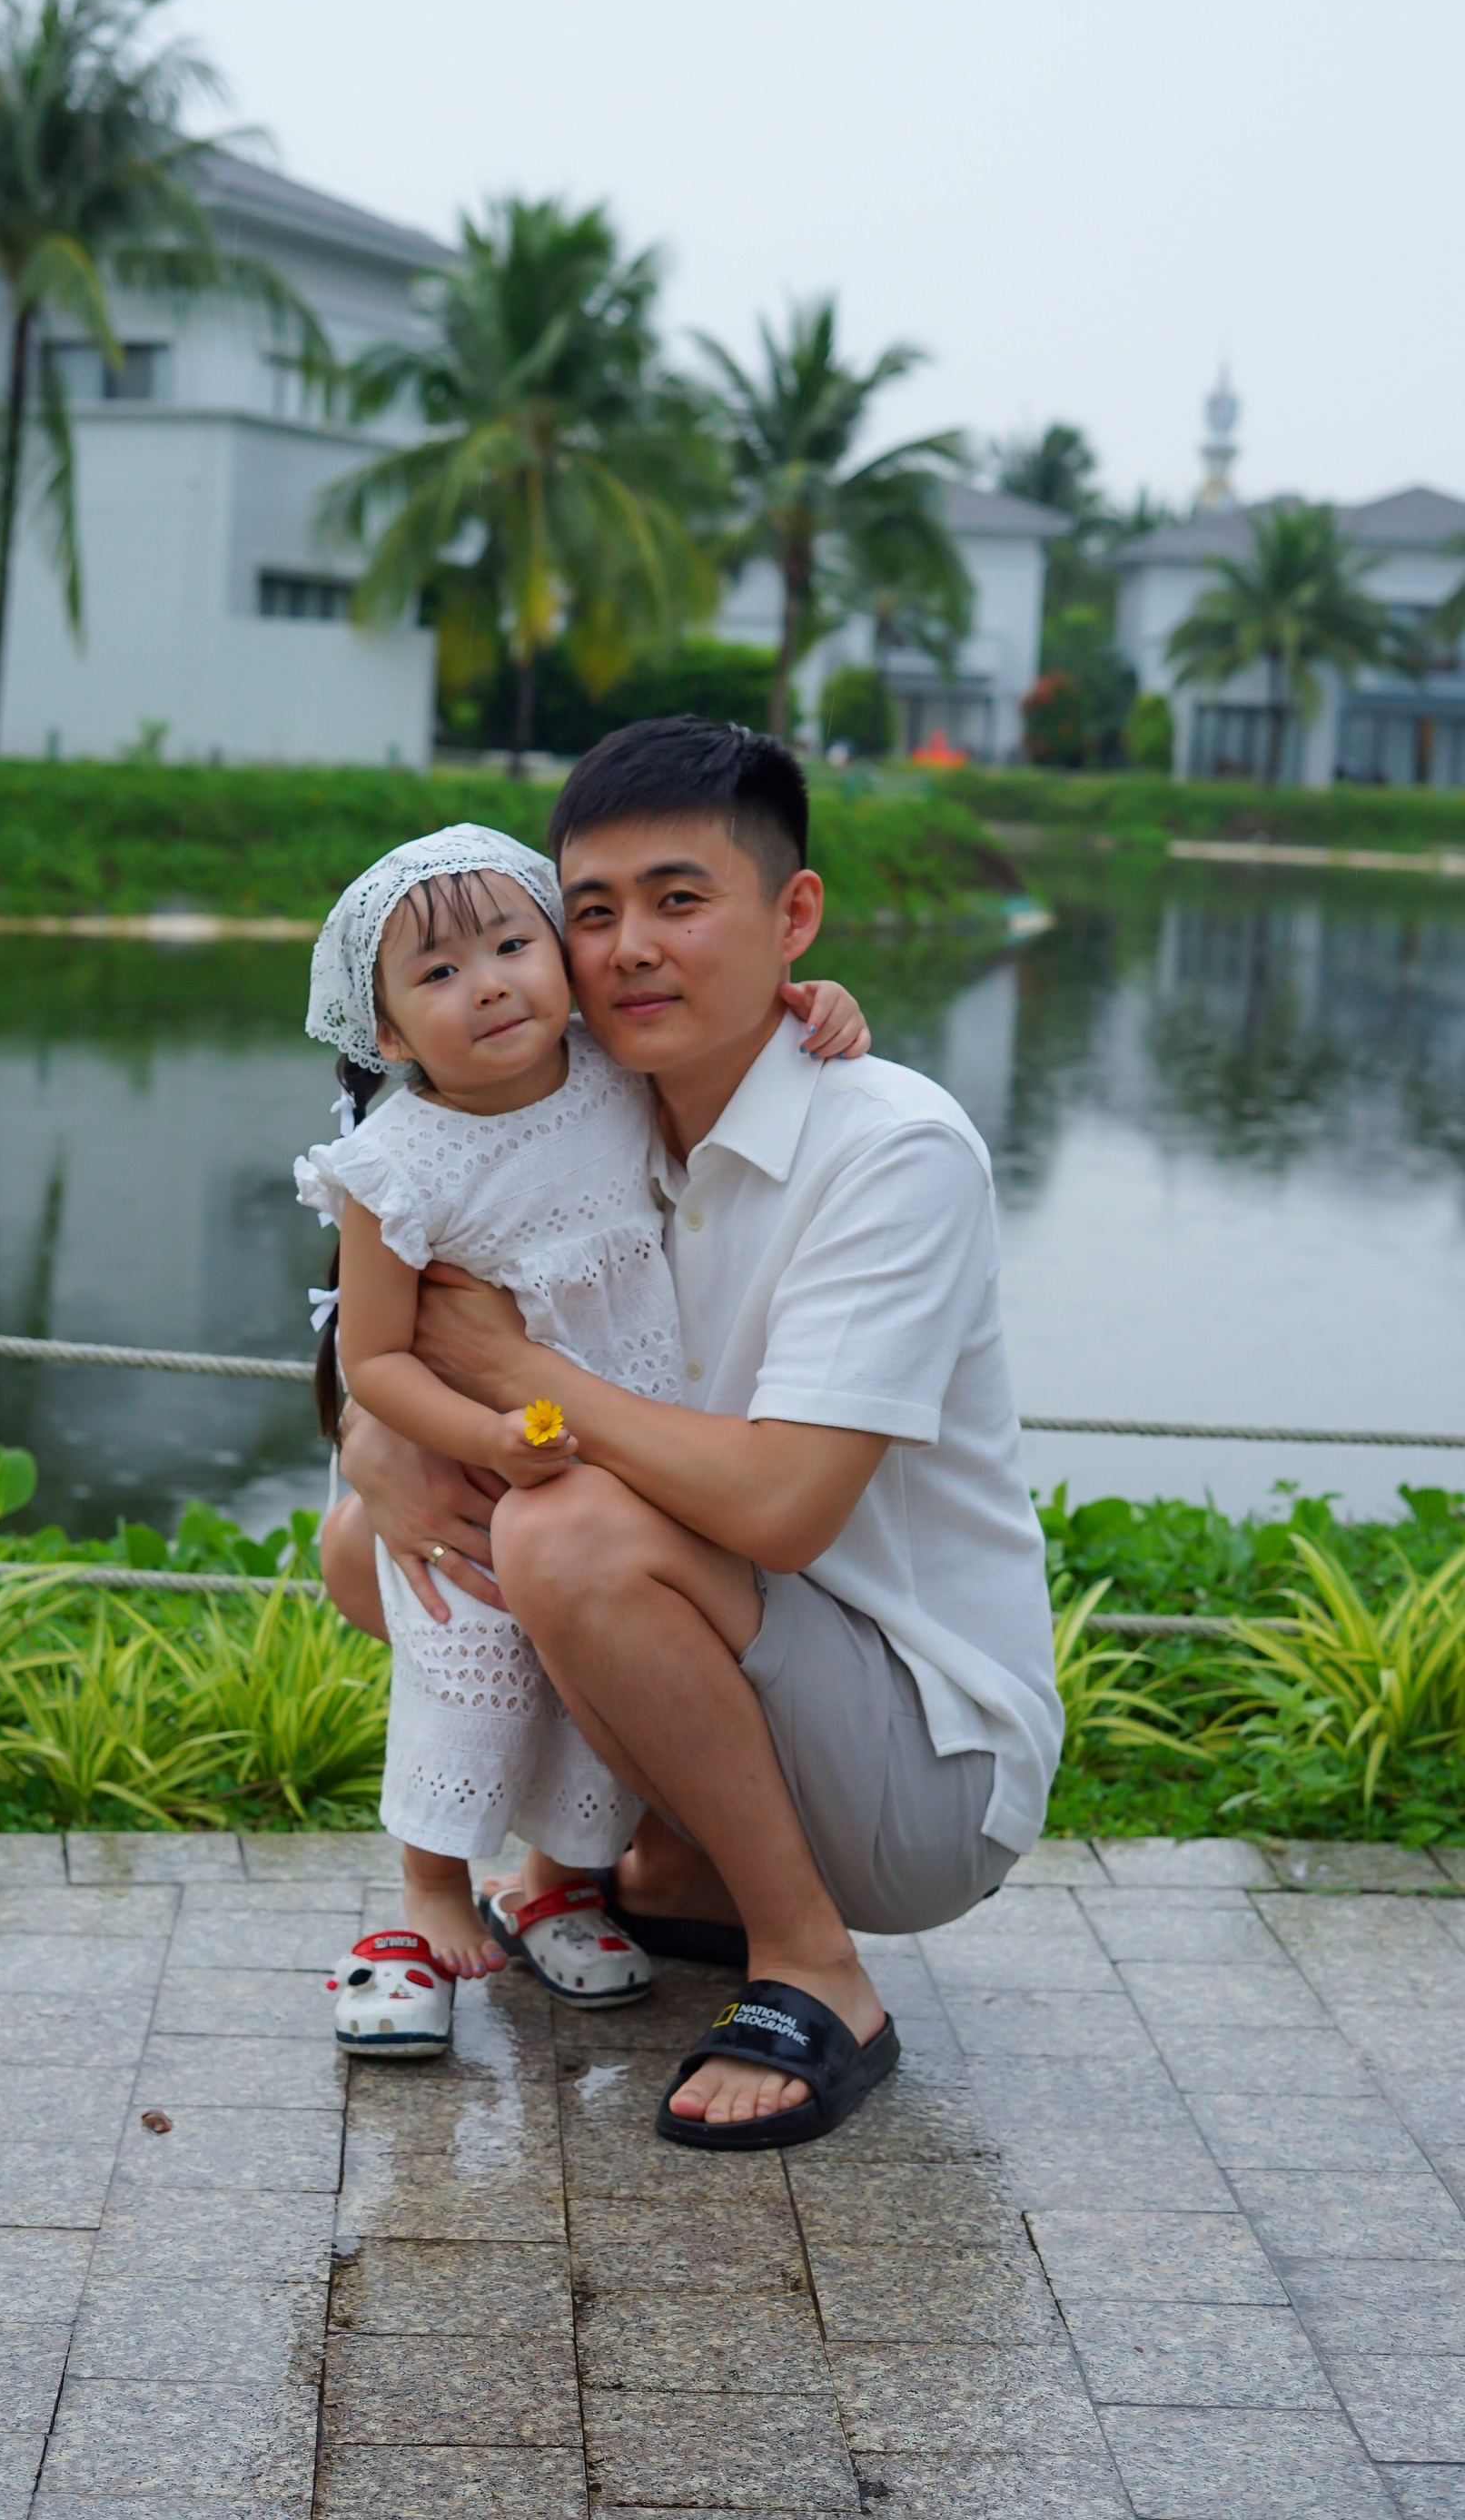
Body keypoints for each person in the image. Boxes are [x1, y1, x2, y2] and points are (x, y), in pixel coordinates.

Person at [322, 719, 1062, 2145]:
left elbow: (781, 1511)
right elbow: (395, 1326)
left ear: (794, 916)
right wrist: (373, 1434)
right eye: (592, 913)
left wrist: (521, 1371)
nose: (631, 949)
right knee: (374, 1541)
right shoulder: (589, 1111)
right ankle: (661, 1872)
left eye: (680, 900)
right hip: (752, 1666)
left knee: (564, 1533)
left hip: (919, 1762)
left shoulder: (890, 1148)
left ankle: (814, 1966)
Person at [296, 821, 872, 2056]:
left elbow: (727, 1044)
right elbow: (375, 1358)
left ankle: (556, 1882)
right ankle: (429, 1892)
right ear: (387, 1032)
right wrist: (487, 1432)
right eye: (439, 974)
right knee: (467, 1660)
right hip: (485, 1463)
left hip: (628, 1438)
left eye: (514, 946)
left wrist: (808, 1003)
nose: (489, 985)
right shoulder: (393, 1167)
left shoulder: (611, 1073)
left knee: (587, 1674)